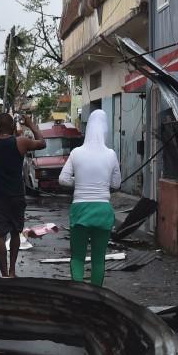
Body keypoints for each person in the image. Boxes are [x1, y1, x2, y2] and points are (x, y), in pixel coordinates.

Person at [58, 109, 121, 287]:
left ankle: (79, 295)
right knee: (98, 259)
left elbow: (62, 179)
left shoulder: (76, 153)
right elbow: (116, 184)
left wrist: (79, 182)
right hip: (102, 210)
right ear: (104, 129)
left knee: (77, 257)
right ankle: (96, 295)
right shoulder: (111, 154)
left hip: (80, 210)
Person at [0, 113, 46, 277]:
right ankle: (12, 271)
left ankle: (3, 274)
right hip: (16, 196)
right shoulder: (21, 142)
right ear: (11, 127)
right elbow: (42, 143)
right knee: (15, 232)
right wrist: (30, 124)